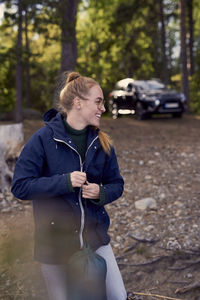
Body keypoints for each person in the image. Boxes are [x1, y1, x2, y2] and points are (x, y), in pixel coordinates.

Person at [11, 72, 127, 300]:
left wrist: (100, 193)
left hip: (95, 241)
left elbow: (117, 184)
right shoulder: (43, 139)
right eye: (98, 101)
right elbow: (20, 186)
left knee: (118, 296)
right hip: (55, 247)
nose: (103, 108)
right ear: (78, 103)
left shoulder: (102, 142)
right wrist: (64, 182)